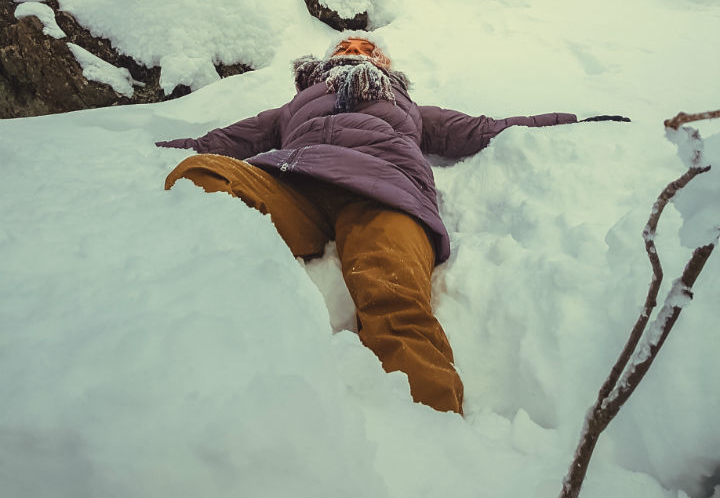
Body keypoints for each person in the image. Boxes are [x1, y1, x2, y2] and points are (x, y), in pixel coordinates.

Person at [157, 35, 627, 415]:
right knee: (204, 175)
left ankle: (432, 435)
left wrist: (575, 121)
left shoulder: (409, 108)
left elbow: (485, 129)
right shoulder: (293, 107)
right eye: (346, 50)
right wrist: (154, 150)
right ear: (324, 64)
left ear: (385, 66)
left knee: (393, 298)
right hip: (295, 183)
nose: (356, 54)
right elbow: (218, 142)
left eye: (368, 50)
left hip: (385, 191)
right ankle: (211, 340)